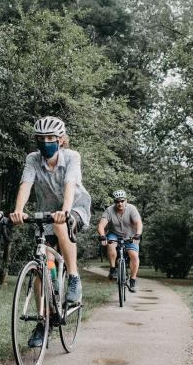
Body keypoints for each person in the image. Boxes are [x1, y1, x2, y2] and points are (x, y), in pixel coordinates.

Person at [10, 116, 91, 347]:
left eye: (51, 138)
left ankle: (74, 278)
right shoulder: (33, 159)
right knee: (42, 266)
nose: (46, 143)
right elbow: (25, 184)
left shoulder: (72, 157)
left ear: (61, 140)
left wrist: (65, 212)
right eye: (41, 139)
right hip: (46, 213)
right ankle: (43, 320)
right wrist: (18, 211)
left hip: (74, 208)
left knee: (60, 224)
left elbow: (69, 185)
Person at [97, 189, 143, 292]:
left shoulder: (132, 209)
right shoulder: (109, 210)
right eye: (117, 201)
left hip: (130, 235)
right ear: (114, 202)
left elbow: (138, 223)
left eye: (122, 201)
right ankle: (113, 269)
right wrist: (102, 236)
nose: (120, 203)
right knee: (111, 245)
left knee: (134, 256)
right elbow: (101, 225)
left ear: (126, 200)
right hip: (114, 234)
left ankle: (132, 280)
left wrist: (138, 235)